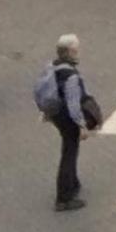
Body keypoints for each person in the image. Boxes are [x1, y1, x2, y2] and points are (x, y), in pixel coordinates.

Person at [36, 36, 93, 208]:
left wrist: (45, 112)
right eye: (75, 49)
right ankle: (64, 197)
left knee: (68, 148)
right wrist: (82, 125)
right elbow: (74, 103)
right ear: (69, 52)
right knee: (69, 153)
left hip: (56, 115)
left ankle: (73, 183)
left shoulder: (52, 65)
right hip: (67, 118)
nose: (78, 52)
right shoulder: (71, 75)